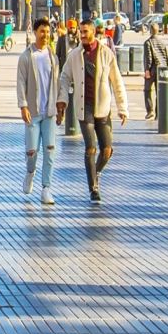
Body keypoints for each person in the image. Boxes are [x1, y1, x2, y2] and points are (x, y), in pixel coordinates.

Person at [69, 21, 128, 204]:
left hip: (103, 108)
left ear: (93, 32)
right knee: (90, 148)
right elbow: (64, 77)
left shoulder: (106, 53)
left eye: (85, 32)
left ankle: (96, 171)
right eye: (81, 32)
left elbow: (117, 81)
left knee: (107, 150)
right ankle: (93, 189)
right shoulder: (75, 55)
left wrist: (122, 108)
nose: (82, 35)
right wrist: (61, 102)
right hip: (84, 107)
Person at [15, 20, 61, 205]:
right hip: (33, 112)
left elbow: (57, 83)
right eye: (42, 31)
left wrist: (60, 106)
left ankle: (46, 188)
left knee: (50, 150)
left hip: (49, 112)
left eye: (48, 32)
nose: (46, 35)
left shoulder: (53, 57)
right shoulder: (26, 57)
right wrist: (23, 105)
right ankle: (30, 173)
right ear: (35, 32)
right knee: (32, 151)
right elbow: (21, 82)